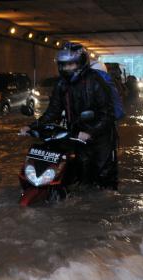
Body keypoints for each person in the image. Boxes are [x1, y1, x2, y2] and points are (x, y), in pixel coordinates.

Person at [20, 43, 118, 190]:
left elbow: (108, 113)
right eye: (63, 65)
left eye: (71, 64)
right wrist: (32, 126)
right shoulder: (61, 84)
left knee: (104, 176)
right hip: (75, 134)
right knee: (80, 173)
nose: (66, 69)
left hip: (101, 135)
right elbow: (53, 111)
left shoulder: (95, 81)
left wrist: (90, 132)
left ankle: (104, 206)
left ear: (81, 63)